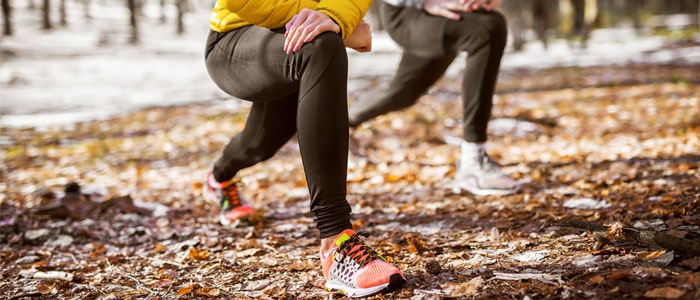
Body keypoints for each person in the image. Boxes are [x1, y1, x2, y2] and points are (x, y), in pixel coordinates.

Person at [202, 0, 406, 297]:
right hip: (236, 38)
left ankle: (219, 176)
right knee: (321, 47)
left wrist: (336, 15)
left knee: (261, 142)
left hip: (296, 31)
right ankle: (336, 241)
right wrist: (330, 20)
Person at [348, 0, 521, 196]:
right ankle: (473, 161)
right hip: (408, 12)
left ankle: (341, 126)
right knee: (488, 29)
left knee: (405, 91)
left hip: (446, 10)